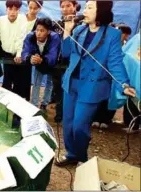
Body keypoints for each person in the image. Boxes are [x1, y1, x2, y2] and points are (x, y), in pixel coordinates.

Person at [55, 1, 136, 166]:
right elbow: (66, 53)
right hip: (71, 83)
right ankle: (71, 154)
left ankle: (82, 157)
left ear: (101, 11)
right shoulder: (79, 30)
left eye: (89, 7)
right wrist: (67, 33)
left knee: (79, 125)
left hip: (91, 87)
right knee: (68, 123)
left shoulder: (112, 34)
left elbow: (115, 62)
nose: (84, 10)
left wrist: (124, 83)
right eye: (84, 7)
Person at [52, 0, 82, 122]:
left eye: (68, 6)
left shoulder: (81, 25)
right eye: (62, 6)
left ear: (75, 7)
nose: (65, 9)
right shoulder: (57, 24)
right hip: (58, 63)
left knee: (72, 90)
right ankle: (60, 114)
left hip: (74, 64)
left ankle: (73, 116)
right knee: (58, 89)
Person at [22, 17, 60, 109]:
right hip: (37, 62)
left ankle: (45, 104)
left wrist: (42, 60)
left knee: (49, 83)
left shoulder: (54, 37)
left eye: (42, 30)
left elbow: (53, 55)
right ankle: (34, 105)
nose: (38, 33)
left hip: (51, 64)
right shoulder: (30, 36)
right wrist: (30, 58)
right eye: (37, 30)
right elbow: (25, 52)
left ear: (48, 31)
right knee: (36, 83)